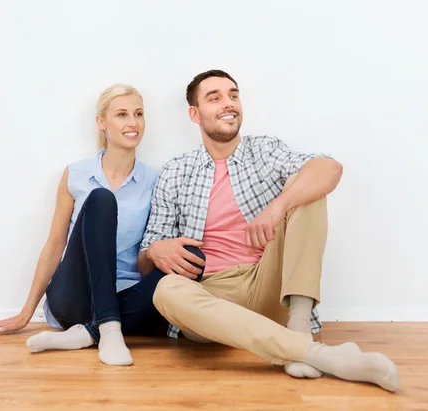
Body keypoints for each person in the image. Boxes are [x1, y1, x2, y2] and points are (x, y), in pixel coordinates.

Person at [137, 70, 400, 392]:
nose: (228, 104)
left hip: (268, 281)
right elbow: (145, 261)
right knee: (166, 291)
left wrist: (276, 208)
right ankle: (318, 355)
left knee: (304, 188)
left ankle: (300, 330)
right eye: (214, 97)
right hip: (213, 296)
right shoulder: (175, 172)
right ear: (195, 114)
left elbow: (329, 168)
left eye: (233, 95)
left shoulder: (264, 150)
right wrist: (154, 250)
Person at [0, 84, 186, 366]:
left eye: (138, 114)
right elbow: (55, 245)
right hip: (75, 298)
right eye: (122, 114)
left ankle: (89, 334)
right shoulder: (75, 174)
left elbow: (149, 254)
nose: (133, 123)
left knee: (192, 262)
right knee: (102, 199)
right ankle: (110, 328)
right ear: (102, 123)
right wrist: (25, 313)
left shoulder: (156, 180)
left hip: (125, 294)